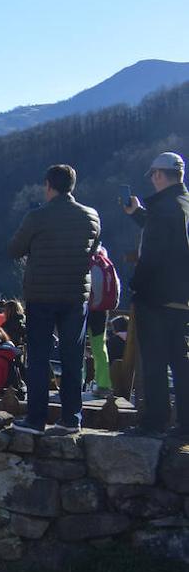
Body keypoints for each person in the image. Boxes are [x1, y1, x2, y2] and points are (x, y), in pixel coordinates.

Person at [7, 163, 101, 435]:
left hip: (42, 295)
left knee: (38, 357)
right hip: (75, 296)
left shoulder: (37, 217)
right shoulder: (92, 216)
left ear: (48, 186)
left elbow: (14, 249)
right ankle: (72, 418)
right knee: (73, 357)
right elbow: (94, 249)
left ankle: (36, 419)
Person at [123, 150, 189, 437]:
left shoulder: (164, 209)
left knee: (155, 361)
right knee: (180, 359)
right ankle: (185, 424)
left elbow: (155, 253)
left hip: (158, 295)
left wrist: (136, 285)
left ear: (160, 174)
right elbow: (172, 237)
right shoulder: (182, 205)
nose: (151, 180)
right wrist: (137, 214)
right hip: (182, 295)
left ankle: (155, 421)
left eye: (152, 175)